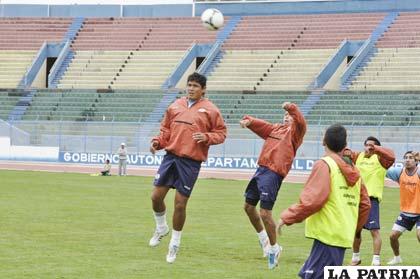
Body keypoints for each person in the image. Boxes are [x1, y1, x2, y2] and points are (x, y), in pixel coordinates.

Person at [148, 72, 227, 264]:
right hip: (170, 157)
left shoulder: (211, 110)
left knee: (180, 204)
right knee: (156, 197)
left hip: (190, 162)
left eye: (195, 86)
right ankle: (161, 228)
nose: (191, 88)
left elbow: (221, 133)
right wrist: (158, 142)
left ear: (203, 90)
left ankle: (174, 243)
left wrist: (207, 137)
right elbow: (165, 130)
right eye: (189, 85)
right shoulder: (175, 105)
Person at [277, 124, 371, 279]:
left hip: (327, 236)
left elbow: (313, 200)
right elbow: (365, 205)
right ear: (344, 145)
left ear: (323, 141)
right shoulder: (355, 170)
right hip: (341, 235)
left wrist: (287, 217)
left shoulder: (324, 164)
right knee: (305, 274)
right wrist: (353, 228)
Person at [239, 101, 306, 269]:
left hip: (273, 173)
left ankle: (275, 248)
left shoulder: (295, 134)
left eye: (289, 116)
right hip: (261, 170)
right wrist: (248, 121)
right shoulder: (276, 129)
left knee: (265, 213)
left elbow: (301, 122)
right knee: (248, 207)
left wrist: (290, 108)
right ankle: (264, 241)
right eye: (285, 115)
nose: (286, 117)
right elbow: (262, 126)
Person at [347, 136, 395, 266]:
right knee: (355, 231)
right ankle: (356, 258)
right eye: (366, 144)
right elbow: (344, 154)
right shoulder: (359, 156)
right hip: (356, 198)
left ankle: (376, 261)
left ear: (377, 148)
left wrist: (376, 149)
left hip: (371, 200)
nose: (368, 147)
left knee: (374, 230)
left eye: (371, 145)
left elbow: (392, 156)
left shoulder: (380, 159)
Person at [385, 151, 420, 265]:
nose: (407, 160)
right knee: (393, 236)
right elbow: (382, 170)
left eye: (411, 158)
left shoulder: (419, 172)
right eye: (405, 158)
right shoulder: (399, 172)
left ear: (416, 161)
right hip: (406, 212)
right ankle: (397, 258)